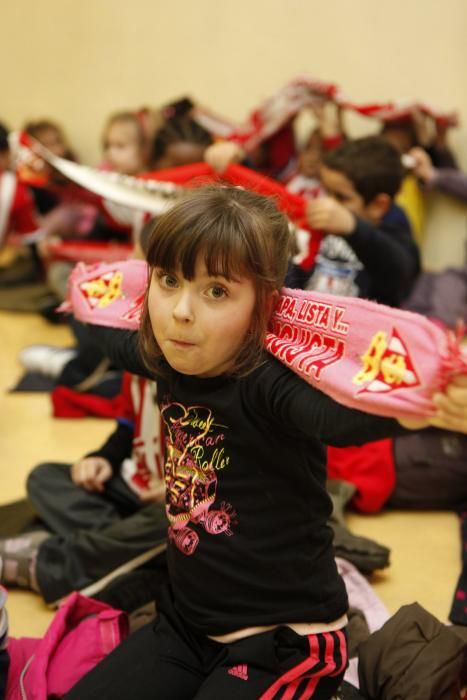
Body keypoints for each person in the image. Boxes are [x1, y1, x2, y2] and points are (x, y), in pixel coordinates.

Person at [62, 185, 467, 700]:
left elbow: (335, 421)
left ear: (266, 305)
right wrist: (82, 291)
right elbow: (106, 330)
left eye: (216, 292)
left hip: (284, 644)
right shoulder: (166, 353)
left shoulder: (267, 381)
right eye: (168, 280)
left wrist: (429, 405)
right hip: (185, 626)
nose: (180, 312)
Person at [0, 370, 167, 605]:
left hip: (174, 503)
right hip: (133, 487)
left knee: (174, 520)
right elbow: (126, 429)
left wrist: (181, 488)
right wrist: (103, 458)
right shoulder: (136, 370)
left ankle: (51, 564)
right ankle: (122, 550)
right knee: (43, 478)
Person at [289, 136, 420, 307]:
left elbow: (399, 272)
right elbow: (293, 278)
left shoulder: (394, 236)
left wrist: (354, 228)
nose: (329, 203)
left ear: (378, 205)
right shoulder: (319, 230)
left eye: (341, 198)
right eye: (327, 192)